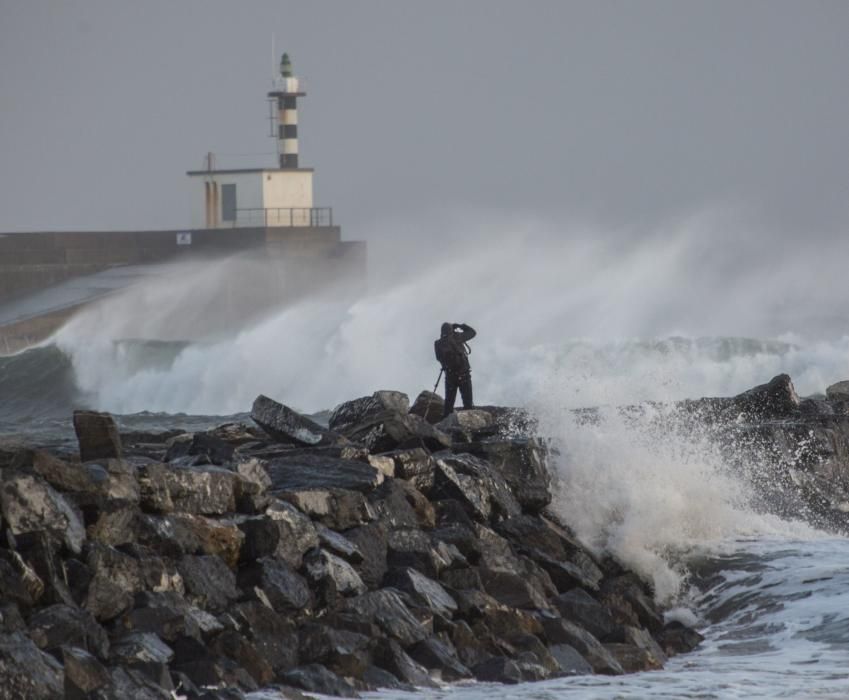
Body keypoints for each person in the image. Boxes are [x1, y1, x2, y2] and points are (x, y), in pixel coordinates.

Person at [434, 322, 476, 417]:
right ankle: (470, 424)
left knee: (449, 404)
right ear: (451, 330)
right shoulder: (458, 337)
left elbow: (438, 358)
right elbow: (473, 332)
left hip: (450, 376)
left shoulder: (438, 343)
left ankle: (444, 424)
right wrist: (461, 326)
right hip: (464, 375)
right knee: (467, 403)